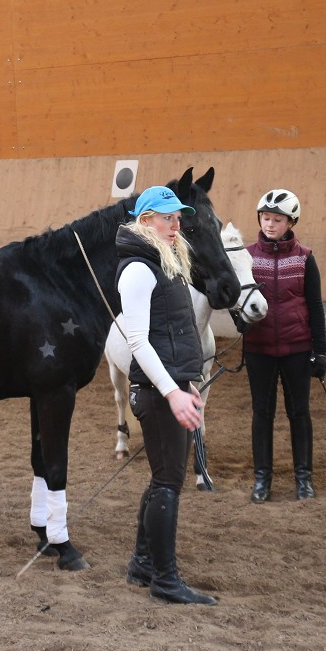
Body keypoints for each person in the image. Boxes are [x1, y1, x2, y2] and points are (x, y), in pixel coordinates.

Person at [117, 185, 216, 606]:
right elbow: (139, 341)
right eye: (165, 218)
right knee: (169, 482)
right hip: (157, 393)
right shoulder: (139, 269)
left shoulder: (166, 261)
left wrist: (186, 379)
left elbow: (173, 331)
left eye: (177, 218)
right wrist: (172, 392)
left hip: (171, 384)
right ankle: (165, 579)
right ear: (145, 221)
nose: (174, 225)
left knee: (163, 478)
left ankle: (143, 564)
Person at [244, 189, 326, 503]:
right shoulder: (248, 255)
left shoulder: (304, 257)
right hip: (258, 348)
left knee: (299, 413)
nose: (269, 224)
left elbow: (315, 307)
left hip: (296, 347)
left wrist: (320, 351)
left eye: (276, 219)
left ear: (291, 221)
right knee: (261, 414)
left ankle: (303, 477)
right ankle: (262, 479)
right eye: (265, 218)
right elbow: (237, 300)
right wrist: (239, 319)